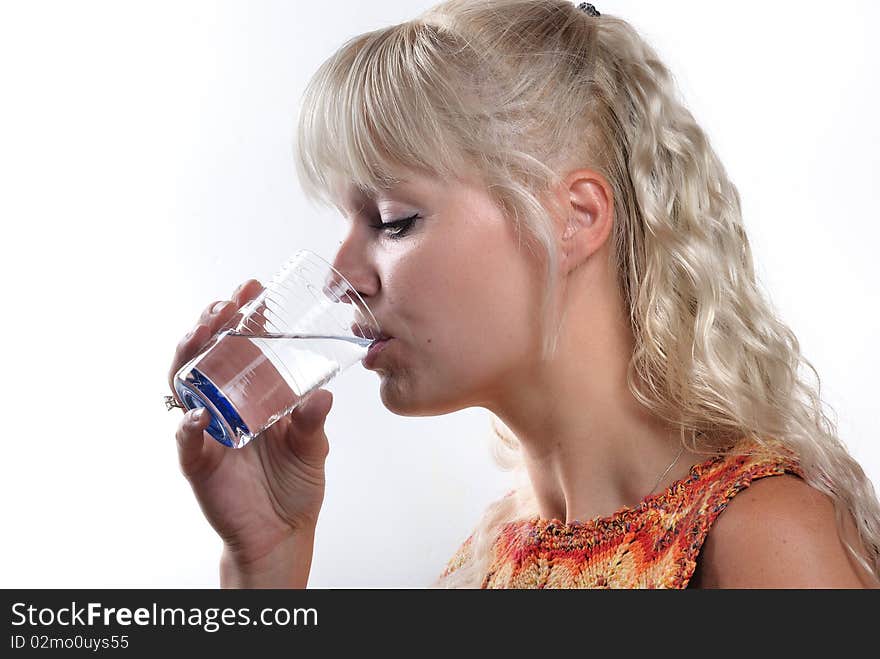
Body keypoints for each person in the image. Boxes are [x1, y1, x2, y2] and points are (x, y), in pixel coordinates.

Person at [168, 0, 880, 588]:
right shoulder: (486, 559)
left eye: (393, 219)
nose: (340, 273)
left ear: (574, 218)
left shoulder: (768, 544)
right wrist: (264, 565)